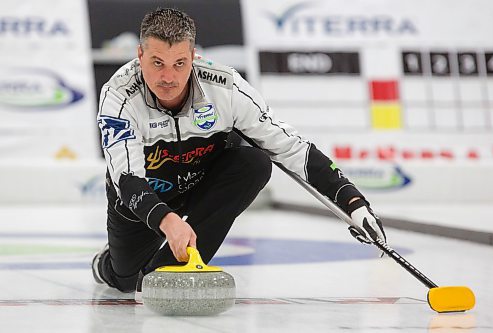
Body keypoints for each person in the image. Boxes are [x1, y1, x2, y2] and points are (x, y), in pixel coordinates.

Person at [93, 8, 386, 293]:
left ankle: (163, 277)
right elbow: (127, 179)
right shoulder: (119, 95)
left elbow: (290, 147)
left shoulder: (225, 87)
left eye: (179, 63)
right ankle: (109, 267)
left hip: (200, 184)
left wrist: (352, 200)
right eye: (157, 63)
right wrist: (167, 220)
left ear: (193, 57)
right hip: (142, 197)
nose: (169, 77)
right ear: (140, 55)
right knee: (125, 280)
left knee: (255, 163)